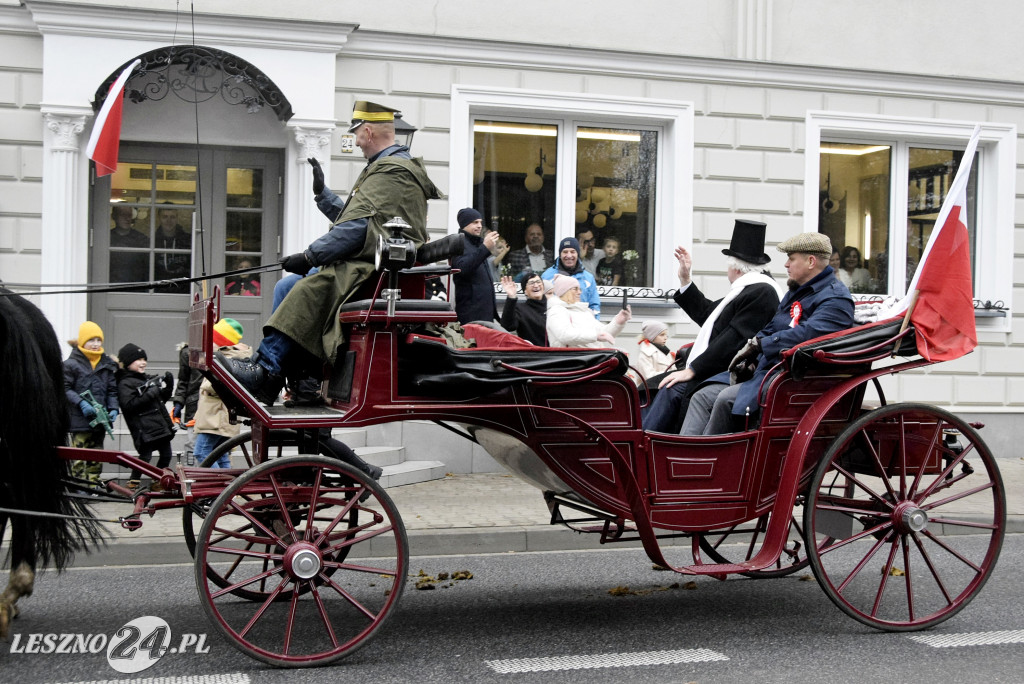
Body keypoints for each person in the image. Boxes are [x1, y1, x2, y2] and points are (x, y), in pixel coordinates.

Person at [219, 100, 443, 404]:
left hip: (375, 270)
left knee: (309, 289)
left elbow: (359, 228)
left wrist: (311, 256)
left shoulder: (390, 171)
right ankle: (299, 380)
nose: (357, 143)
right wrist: (322, 196)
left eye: (358, 135)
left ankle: (267, 370)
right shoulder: (387, 169)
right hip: (373, 264)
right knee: (288, 285)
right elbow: (362, 221)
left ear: (368, 131)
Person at [680, 232, 855, 436]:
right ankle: (688, 457)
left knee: (725, 399)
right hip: (767, 372)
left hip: (795, 379)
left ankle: (708, 460)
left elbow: (809, 335)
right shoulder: (797, 292)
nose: (786, 265)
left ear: (811, 261)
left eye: (791, 258)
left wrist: (763, 345)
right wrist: (754, 347)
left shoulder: (836, 299)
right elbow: (772, 326)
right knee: (701, 396)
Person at [643, 219, 780, 434]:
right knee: (650, 387)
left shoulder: (761, 292)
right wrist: (686, 280)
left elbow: (733, 339)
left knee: (669, 389)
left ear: (736, 267)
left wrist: (693, 369)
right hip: (716, 368)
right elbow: (710, 317)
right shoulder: (749, 290)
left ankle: (649, 446)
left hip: (727, 372)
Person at [63, 321, 119, 484]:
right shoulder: (71, 364)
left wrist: (113, 408)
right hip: (79, 420)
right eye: (91, 340)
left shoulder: (106, 364)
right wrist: (81, 403)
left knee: (97, 454)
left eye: (98, 340)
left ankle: (93, 484)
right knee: (79, 455)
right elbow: (64, 388)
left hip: (101, 421)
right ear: (82, 341)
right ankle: (79, 485)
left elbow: (112, 390)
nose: (95, 344)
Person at [116, 343, 175, 490]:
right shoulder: (124, 383)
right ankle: (132, 483)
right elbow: (129, 405)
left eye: (144, 359)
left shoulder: (144, 379)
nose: (143, 363)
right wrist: (151, 393)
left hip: (159, 426)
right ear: (128, 363)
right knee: (145, 458)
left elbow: (159, 401)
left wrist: (168, 388)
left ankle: (157, 482)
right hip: (144, 429)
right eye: (138, 359)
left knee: (167, 455)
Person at [193, 319, 250, 468]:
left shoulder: (227, 359)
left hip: (217, 416)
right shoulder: (228, 357)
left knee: (202, 452)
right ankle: (227, 486)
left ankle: (219, 487)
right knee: (220, 453)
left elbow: (217, 386)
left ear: (221, 341)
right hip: (218, 414)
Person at [546, 274, 630, 347]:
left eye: (580, 289)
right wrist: (595, 336)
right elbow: (564, 335)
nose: (579, 292)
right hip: (573, 361)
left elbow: (603, 332)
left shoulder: (584, 311)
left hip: (590, 359)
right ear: (564, 291)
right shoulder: (557, 310)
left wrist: (619, 321)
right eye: (575, 289)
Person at [451, 207, 499, 325]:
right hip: (471, 314)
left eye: (481, 222)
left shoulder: (477, 244)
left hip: (484, 314)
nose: (479, 226)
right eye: (475, 222)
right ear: (464, 224)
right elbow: (462, 269)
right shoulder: (458, 243)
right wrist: (484, 248)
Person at [542, 237, 600, 317]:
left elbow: (594, 305)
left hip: (581, 324)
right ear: (560, 254)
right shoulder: (547, 276)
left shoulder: (588, 278)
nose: (569, 256)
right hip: (556, 323)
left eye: (573, 252)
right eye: (565, 252)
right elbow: (541, 303)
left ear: (578, 254)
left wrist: (593, 324)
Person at [172, 341, 204, 462]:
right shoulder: (189, 353)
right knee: (192, 444)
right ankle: (190, 476)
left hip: (217, 408)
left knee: (216, 448)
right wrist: (178, 403)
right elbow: (183, 381)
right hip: (195, 407)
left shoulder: (225, 351)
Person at [499, 271, 547, 346]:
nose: (536, 285)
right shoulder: (521, 309)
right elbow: (508, 326)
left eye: (538, 282)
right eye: (531, 283)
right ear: (525, 291)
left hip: (561, 354)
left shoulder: (554, 305)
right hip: (535, 354)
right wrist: (511, 297)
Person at [153, 204, 191, 292]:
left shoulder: (188, 241)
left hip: (185, 293)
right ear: (159, 218)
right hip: (158, 293)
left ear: (177, 218)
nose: (168, 221)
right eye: (165, 217)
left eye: (172, 217)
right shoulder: (152, 242)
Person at [108, 204, 149, 283]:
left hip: (135, 289)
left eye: (129, 215)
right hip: (110, 288)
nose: (127, 218)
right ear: (114, 216)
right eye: (123, 214)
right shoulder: (106, 239)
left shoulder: (141, 239)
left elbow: (147, 268)